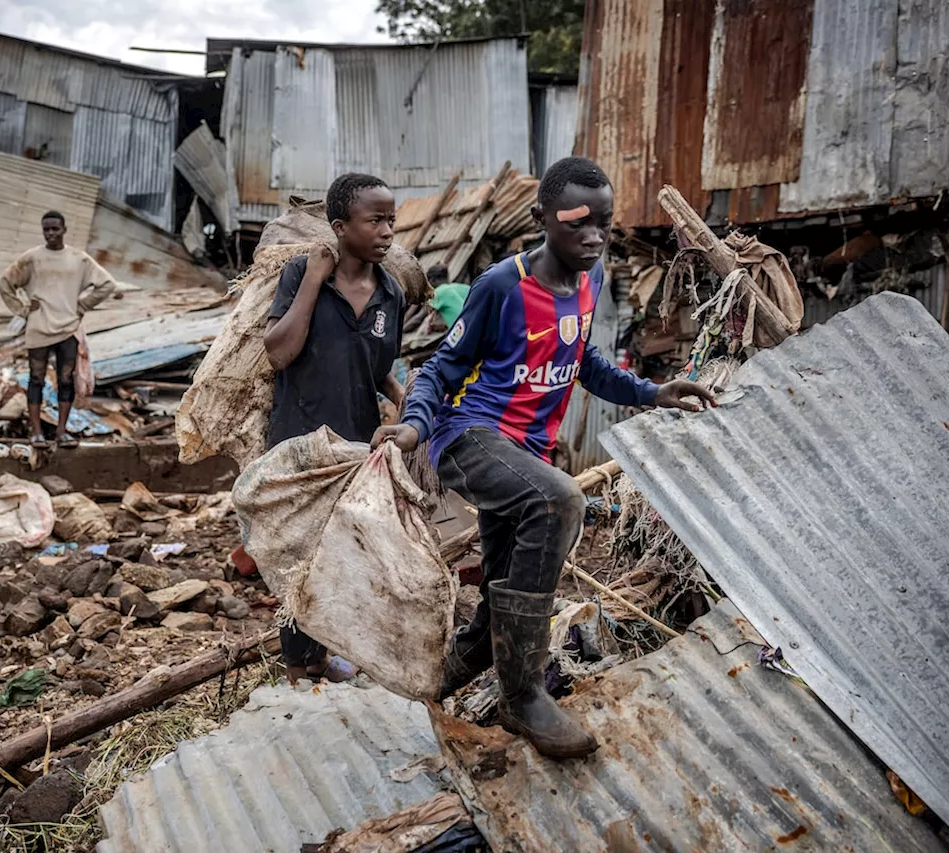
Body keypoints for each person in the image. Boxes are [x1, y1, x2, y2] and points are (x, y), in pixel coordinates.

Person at [373, 157, 716, 760]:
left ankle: (416, 693)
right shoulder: (502, 287)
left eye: (604, 225)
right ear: (541, 220)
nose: (592, 237)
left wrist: (652, 392)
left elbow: (582, 362)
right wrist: (411, 428)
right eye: (576, 224)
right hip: (469, 435)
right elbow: (440, 369)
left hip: (526, 450)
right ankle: (522, 693)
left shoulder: (592, 279)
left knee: (501, 592)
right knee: (559, 499)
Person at [264, 172, 406, 683]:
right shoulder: (302, 276)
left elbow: (373, 360)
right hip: (298, 442)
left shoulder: (391, 294)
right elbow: (280, 352)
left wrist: (398, 397)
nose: (388, 231)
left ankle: (329, 653)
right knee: (301, 559)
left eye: (392, 220)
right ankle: (299, 669)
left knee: (344, 552)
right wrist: (310, 281)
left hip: (357, 443)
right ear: (340, 227)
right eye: (376, 220)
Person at [0, 211, 115, 448]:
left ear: (64, 230)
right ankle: (36, 433)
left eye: (55, 229)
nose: (51, 234)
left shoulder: (78, 259)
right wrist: (22, 309)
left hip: (68, 328)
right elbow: (5, 284)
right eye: (46, 229)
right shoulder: (31, 258)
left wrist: (81, 306)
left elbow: (106, 284)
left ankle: (62, 432)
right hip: (39, 327)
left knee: (65, 379)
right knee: (37, 379)